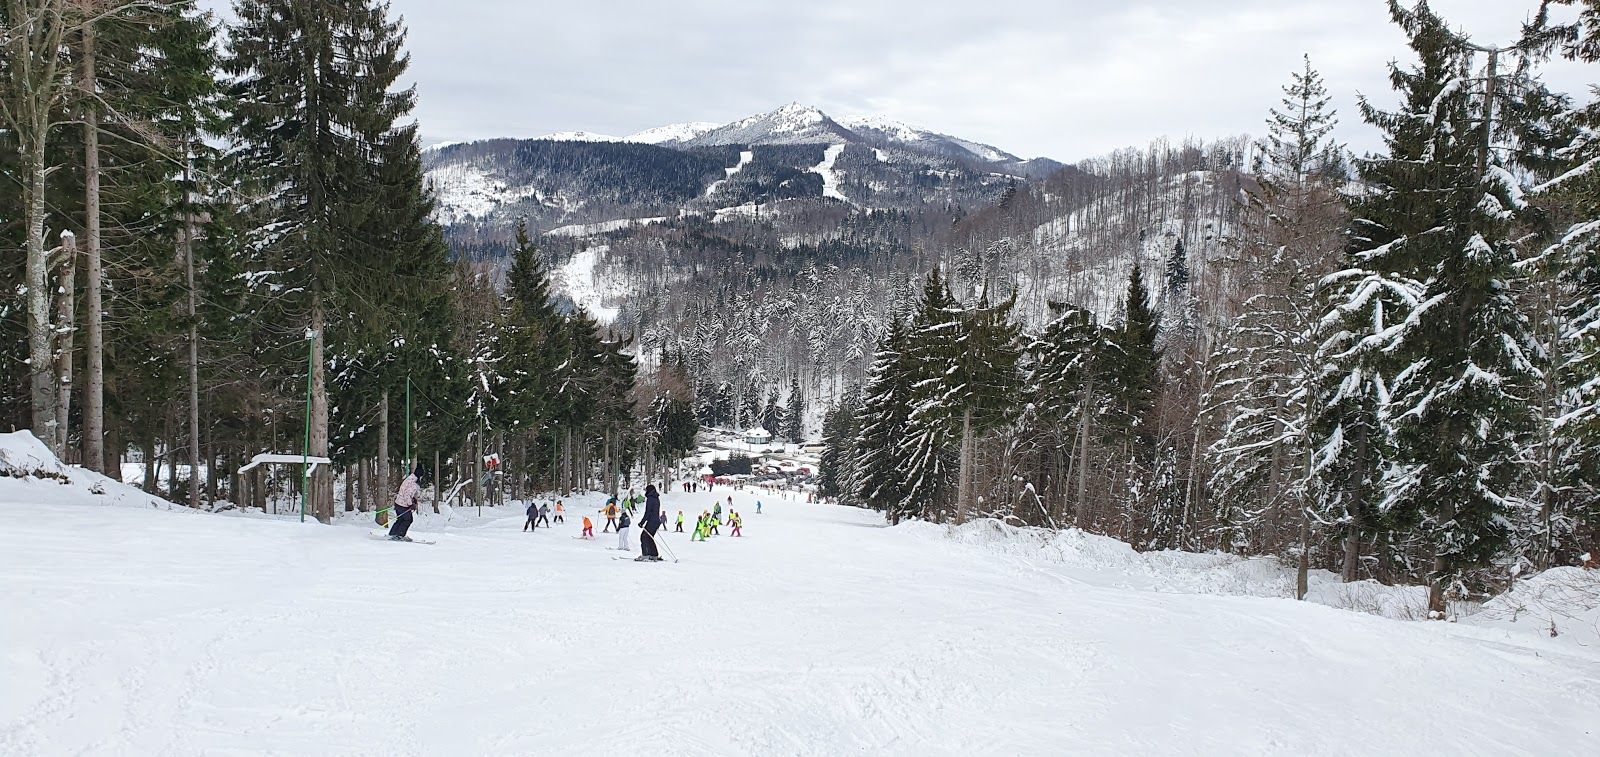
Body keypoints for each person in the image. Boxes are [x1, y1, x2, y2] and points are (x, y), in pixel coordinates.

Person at [389, 468, 422, 541]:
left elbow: (405, 492)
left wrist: (413, 500)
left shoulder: (409, 478)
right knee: (408, 520)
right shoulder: (413, 483)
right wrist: (411, 504)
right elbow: (407, 495)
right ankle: (400, 535)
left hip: (398, 503)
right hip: (404, 505)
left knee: (400, 519)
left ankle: (392, 534)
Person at [637, 484, 662, 562]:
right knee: (649, 537)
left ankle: (646, 555)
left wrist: (642, 522)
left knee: (643, 537)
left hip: (652, 521)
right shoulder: (656, 498)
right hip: (656, 521)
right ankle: (654, 555)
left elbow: (648, 512)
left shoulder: (650, 498)